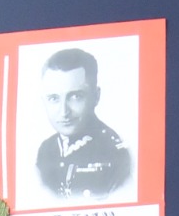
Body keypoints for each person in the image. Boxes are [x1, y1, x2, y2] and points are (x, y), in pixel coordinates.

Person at [35, 47, 132, 199]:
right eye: (54, 98)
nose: (64, 111)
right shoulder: (46, 150)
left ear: (96, 96)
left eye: (75, 97)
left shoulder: (115, 153)